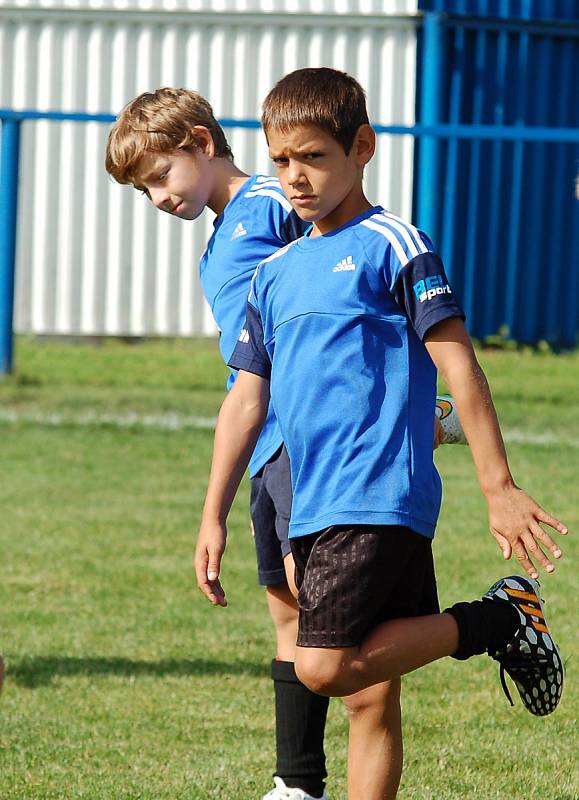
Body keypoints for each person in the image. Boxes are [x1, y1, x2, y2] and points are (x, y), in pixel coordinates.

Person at [194, 68, 567, 799]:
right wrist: (212, 512)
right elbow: (246, 400)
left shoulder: (393, 243)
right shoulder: (272, 273)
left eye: (313, 157)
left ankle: (498, 617)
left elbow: (458, 366)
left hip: (377, 494)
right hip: (311, 500)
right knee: (372, 691)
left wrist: (497, 486)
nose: (294, 178)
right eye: (280, 161)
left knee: (324, 668)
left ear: (361, 147)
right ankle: (499, 619)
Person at [105, 86, 463, 800]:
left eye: (159, 178)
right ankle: (296, 782)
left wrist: (412, 402)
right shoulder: (226, 234)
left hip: (320, 453)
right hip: (269, 450)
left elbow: (352, 285)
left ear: (201, 144)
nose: (156, 199)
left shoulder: (272, 197)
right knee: (289, 615)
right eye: (141, 190)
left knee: (348, 660)